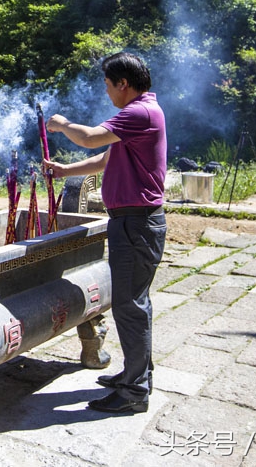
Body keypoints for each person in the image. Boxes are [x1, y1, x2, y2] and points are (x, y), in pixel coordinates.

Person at [42, 51, 167, 414]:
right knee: (132, 303)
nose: (108, 92)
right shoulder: (143, 113)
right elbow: (105, 158)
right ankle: (135, 373)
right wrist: (65, 172)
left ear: (123, 84)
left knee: (130, 306)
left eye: (109, 85)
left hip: (136, 222)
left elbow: (93, 139)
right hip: (133, 222)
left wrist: (64, 124)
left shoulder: (139, 112)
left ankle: (134, 392)